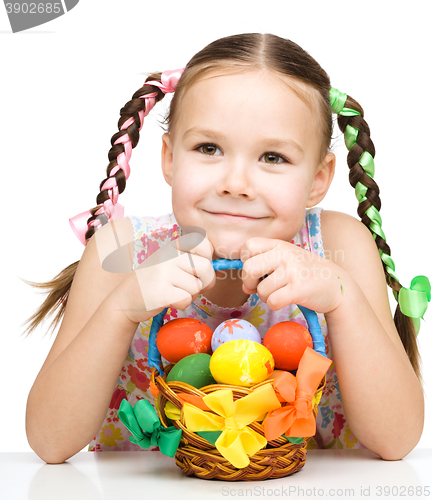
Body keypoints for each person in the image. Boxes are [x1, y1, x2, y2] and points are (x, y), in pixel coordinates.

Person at [23, 33, 429, 465]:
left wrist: (341, 299)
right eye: (208, 148)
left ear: (318, 178)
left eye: (273, 157)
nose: (235, 184)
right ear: (170, 158)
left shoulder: (338, 245)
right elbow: (50, 442)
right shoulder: (121, 250)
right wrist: (122, 307)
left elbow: (397, 438)